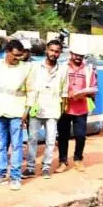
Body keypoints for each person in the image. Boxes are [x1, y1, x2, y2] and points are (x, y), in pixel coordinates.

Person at [0, 39, 33, 190]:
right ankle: (0, 175)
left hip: (17, 112)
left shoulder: (27, 68)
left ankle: (15, 177)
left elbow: (32, 92)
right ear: (7, 52)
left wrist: (26, 112)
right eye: (14, 55)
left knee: (17, 146)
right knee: (0, 145)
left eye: (19, 55)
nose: (17, 58)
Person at [24, 39, 67, 179]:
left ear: (60, 53)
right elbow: (29, 88)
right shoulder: (35, 67)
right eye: (52, 50)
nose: (53, 54)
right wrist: (27, 109)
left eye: (57, 51)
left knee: (50, 140)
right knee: (32, 139)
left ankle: (46, 167)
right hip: (36, 108)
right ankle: (30, 168)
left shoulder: (63, 69)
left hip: (53, 110)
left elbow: (64, 91)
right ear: (46, 50)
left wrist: (62, 110)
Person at [56, 45, 98, 172]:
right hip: (64, 106)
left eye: (81, 56)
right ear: (71, 54)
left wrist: (87, 93)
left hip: (81, 107)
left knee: (80, 135)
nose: (78, 57)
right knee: (63, 136)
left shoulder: (89, 69)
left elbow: (94, 87)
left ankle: (78, 159)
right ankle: (62, 161)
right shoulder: (62, 67)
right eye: (76, 55)